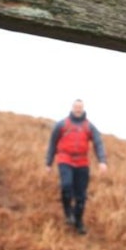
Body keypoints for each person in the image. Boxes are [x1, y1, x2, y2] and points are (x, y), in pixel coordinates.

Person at [45, 99, 108, 235]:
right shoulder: (61, 125)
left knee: (81, 195)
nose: (78, 109)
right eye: (76, 107)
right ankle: (68, 214)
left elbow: (98, 142)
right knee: (66, 186)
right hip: (65, 159)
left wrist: (102, 161)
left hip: (82, 162)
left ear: (83, 109)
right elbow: (52, 143)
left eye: (80, 107)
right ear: (72, 108)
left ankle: (78, 221)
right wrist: (48, 163)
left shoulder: (89, 127)